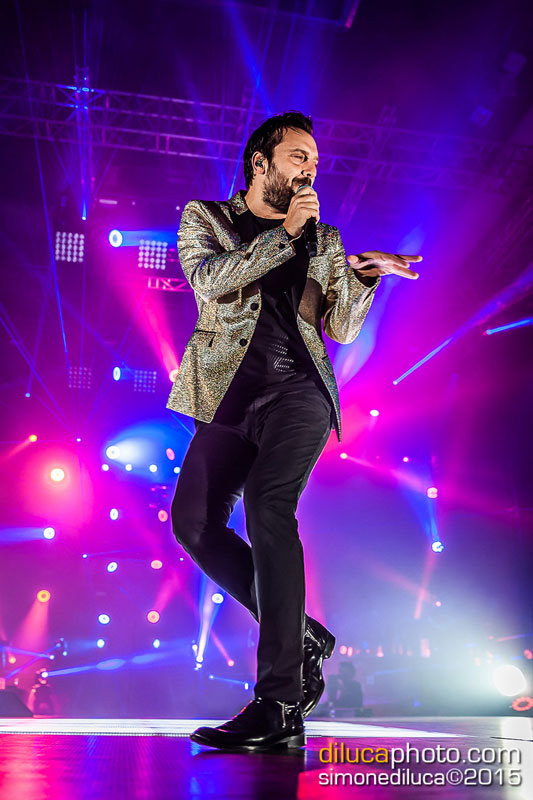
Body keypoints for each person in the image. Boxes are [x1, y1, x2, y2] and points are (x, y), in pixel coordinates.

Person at [167, 111, 421, 751]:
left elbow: (341, 329)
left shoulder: (323, 237)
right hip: (227, 397)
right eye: (298, 156)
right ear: (261, 162)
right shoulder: (207, 218)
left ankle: (279, 700)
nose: (310, 168)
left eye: (314, 160)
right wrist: (283, 234)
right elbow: (212, 283)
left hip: (299, 392)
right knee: (192, 524)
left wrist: (361, 278)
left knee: (268, 506)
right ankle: (302, 635)